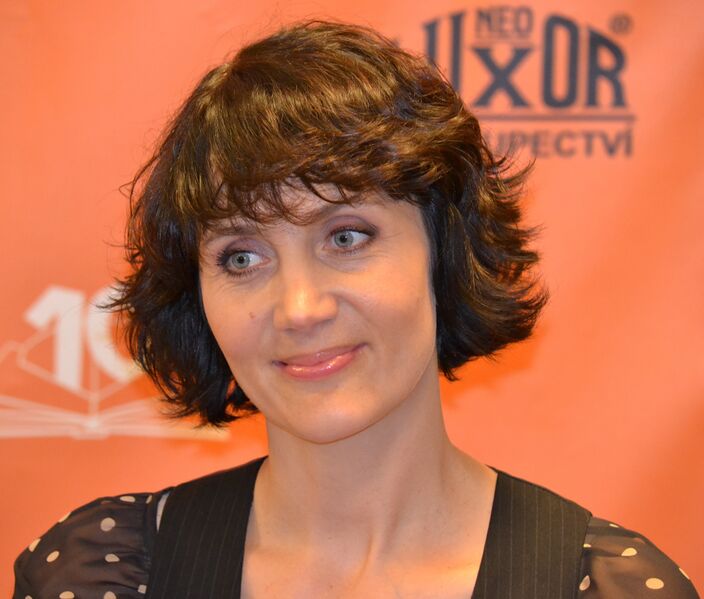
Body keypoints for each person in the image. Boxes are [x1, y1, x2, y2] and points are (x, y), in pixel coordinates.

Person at [13, 20, 699, 599]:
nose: (299, 308)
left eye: (345, 237)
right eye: (242, 258)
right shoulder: (99, 575)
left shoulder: (606, 587)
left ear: (444, 250)